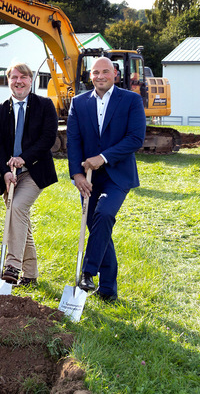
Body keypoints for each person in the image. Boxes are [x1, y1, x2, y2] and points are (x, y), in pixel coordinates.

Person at [67, 56, 146, 302]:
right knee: (99, 228)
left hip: (117, 175)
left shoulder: (131, 100)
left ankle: (88, 272)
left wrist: (103, 157)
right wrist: (77, 174)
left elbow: (135, 138)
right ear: (89, 76)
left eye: (105, 72)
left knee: (104, 215)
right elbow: (74, 141)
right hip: (87, 178)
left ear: (115, 74)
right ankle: (108, 290)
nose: (99, 76)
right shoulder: (78, 103)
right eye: (95, 72)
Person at [0, 62, 58, 286]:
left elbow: (47, 139)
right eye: (14, 77)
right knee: (20, 220)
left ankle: (12, 265)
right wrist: (4, 171)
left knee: (17, 208)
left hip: (34, 171)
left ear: (31, 80)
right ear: (8, 81)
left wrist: (24, 158)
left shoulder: (45, 105)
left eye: (23, 77)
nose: (19, 81)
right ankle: (31, 275)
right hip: (9, 174)